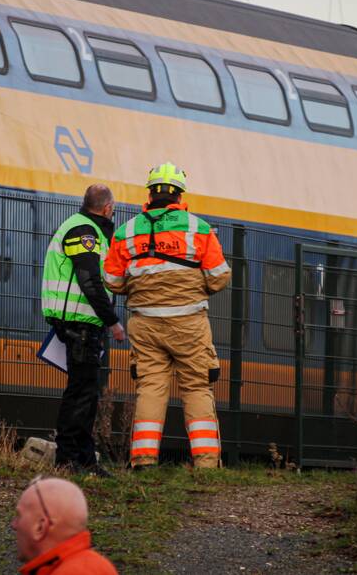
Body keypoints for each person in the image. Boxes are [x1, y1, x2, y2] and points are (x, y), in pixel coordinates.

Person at [103, 163, 230, 469]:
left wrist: (142, 286)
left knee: (150, 388)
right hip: (189, 324)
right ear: (179, 195)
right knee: (196, 387)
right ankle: (206, 464)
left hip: (145, 324)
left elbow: (112, 281)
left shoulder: (126, 231)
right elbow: (218, 277)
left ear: (150, 194)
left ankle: (144, 461)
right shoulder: (198, 228)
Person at [42, 184, 125, 475]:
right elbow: (89, 280)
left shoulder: (86, 229)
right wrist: (113, 321)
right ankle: (68, 458)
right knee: (80, 392)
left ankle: (85, 459)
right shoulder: (84, 232)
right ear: (107, 208)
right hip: (80, 324)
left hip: (84, 324)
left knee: (87, 392)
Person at [12, 476, 118, 574]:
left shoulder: (72, 572)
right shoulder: (96, 565)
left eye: (19, 516)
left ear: (40, 527)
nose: (14, 525)